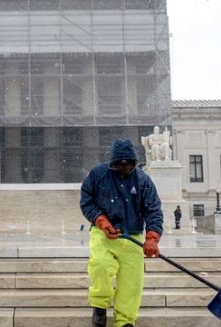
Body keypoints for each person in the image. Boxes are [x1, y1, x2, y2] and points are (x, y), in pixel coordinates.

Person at [80, 138, 164, 327]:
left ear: (134, 162)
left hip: (132, 237)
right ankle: (100, 305)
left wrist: (152, 238)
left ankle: (125, 320)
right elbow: (86, 201)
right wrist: (100, 220)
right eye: (120, 164)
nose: (124, 167)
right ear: (113, 162)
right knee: (100, 265)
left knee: (132, 282)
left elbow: (154, 210)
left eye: (129, 164)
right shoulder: (97, 174)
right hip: (103, 233)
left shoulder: (143, 180)